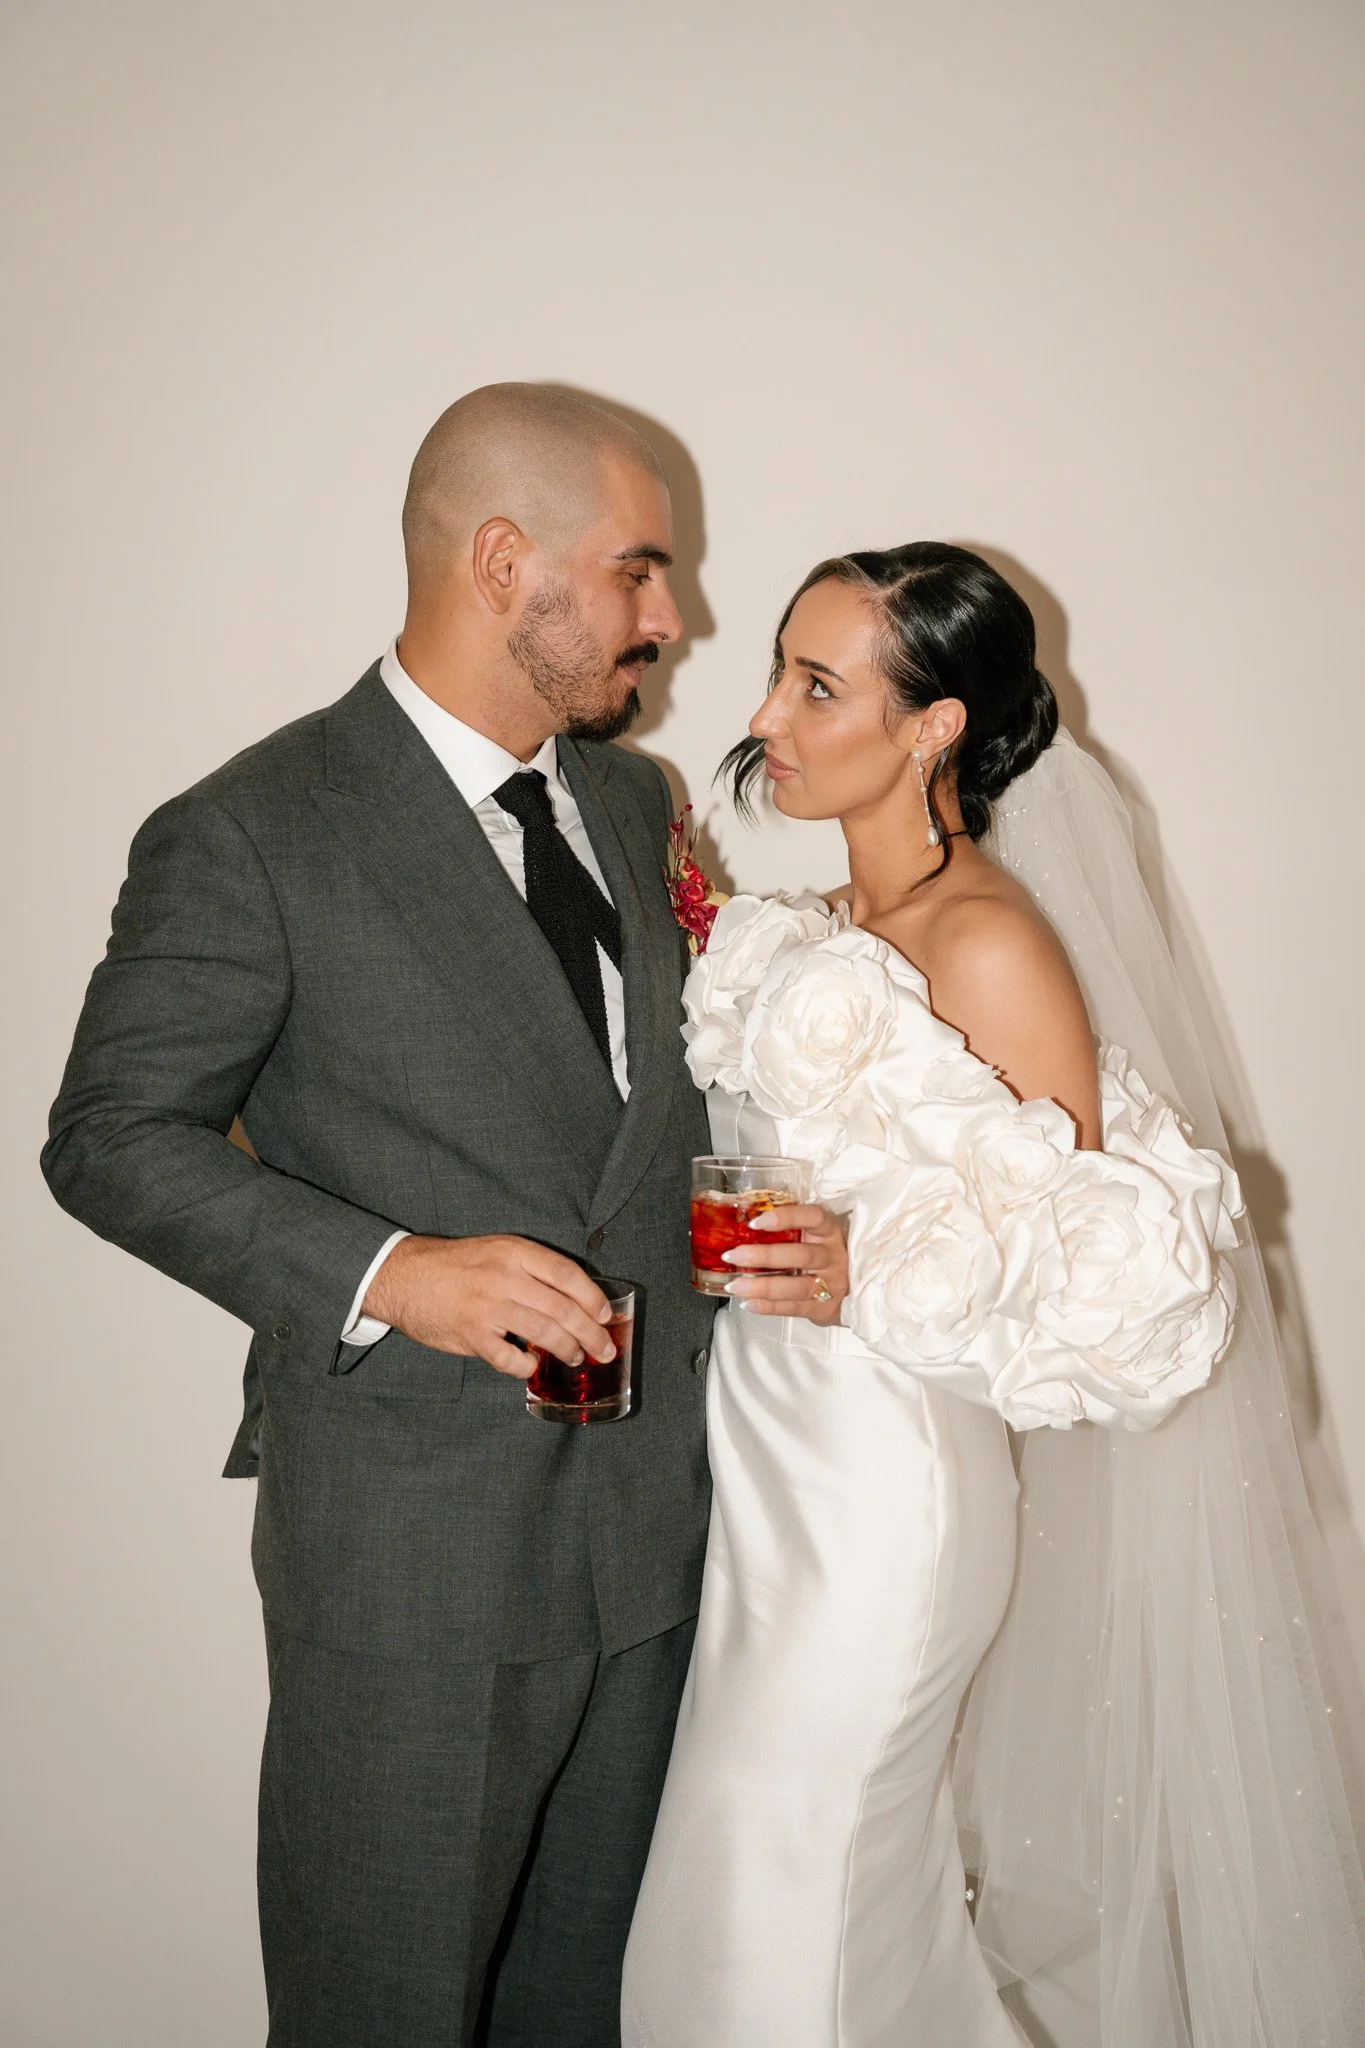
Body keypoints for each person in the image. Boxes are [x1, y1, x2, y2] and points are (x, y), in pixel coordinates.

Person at [40, 384, 845, 2048]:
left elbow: (650, 1123)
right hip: (417, 1564)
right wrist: (390, 1273)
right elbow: (109, 1136)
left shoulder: (633, 807)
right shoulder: (248, 834)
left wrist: (822, 1233)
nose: (669, 618)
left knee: (584, 2014)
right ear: (503, 562)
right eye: (637, 571)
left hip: (660, 1538)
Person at [621, 543, 1365, 2046]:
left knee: (780, 1904)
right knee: (775, 1898)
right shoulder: (812, 932)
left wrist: (864, 1263)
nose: (765, 712)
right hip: (770, 1482)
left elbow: (1102, 1276)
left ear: (933, 728)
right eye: (779, 669)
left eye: (817, 685)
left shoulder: (993, 939)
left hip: (883, 1503)